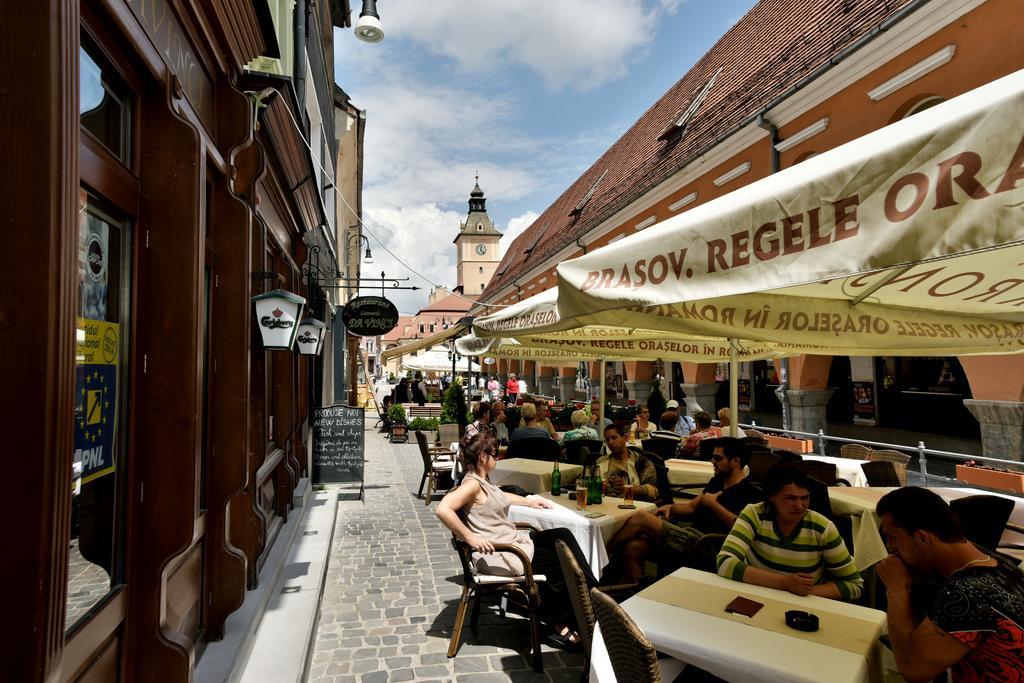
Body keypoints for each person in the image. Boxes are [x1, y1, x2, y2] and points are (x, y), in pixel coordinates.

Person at [436, 432, 597, 647]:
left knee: (561, 535)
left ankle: (594, 592)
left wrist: (529, 502)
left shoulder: (483, 480)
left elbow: (500, 496)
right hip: (501, 554)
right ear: (483, 457)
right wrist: (470, 537)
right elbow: (442, 509)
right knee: (556, 564)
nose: (497, 459)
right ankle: (562, 623)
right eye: (495, 454)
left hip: (512, 544)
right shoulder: (472, 485)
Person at [875, 487, 1024, 682]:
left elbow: (913, 670)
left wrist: (897, 591)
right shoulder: (998, 563)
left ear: (921, 537)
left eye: (892, 537)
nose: (889, 547)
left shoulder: (966, 593)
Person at [606, 437, 761, 581]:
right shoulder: (717, 481)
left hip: (709, 545)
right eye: (713, 457)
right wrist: (671, 508)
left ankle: (602, 555)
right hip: (690, 535)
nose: (712, 461)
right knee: (632, 548)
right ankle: (638, 594)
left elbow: (740, 527)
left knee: (641, 518)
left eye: (718, 458)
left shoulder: (749, 492)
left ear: (735, 461)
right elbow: (690, 507)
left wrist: (713, 504)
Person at [717, 464, 863, 601]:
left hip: (803, 605)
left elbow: (854, 584)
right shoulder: (754, 515)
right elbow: (724, 563)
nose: (799, 506)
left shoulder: (822, 528)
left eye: (804, 498)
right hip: (754, 598)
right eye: (790, 498)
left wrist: (805, 590)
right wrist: (785, 583)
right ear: (772, 497)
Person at [597, 424, 658, 502]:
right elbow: (586, 485)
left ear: (625, 438)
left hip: (632, 506)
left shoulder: (640, 461)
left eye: (614, 437)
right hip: (605, 505)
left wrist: (627, 488)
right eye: (607, 440)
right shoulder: (600, 462)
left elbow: (653, 491)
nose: (611, 442)